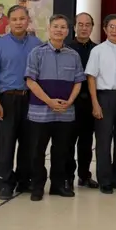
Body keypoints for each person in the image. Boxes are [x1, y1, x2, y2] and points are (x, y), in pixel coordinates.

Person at [0, 5, 43, 200]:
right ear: (9, 21)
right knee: (7, 142)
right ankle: (7, 182)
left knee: (28, 142)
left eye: (22, 19)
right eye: (15, 19)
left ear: (28, 20)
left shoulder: (37, 44)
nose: (18, 22)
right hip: (8, 98)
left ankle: (23, 180)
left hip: (31, 98)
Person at [24, 15, 85, 201]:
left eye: (63, 27)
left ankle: (57, 185)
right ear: (49, 29)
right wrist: (49, 101)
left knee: (62, 151)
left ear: (68, 31)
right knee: (37, 151)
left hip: (65, 113)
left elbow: (78, 81)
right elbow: (30, 81)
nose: (59, 30)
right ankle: (37, 186)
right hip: (40, 112)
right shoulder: (37, 53)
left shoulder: (73, 55)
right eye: (56, 26)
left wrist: (70, 101)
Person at [87, 15, 116, 194]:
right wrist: (95, 103)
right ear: (105, 29)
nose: (114, 30)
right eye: (111, 26)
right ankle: (104, 180)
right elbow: (91, 77)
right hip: (104, 97)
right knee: (104, 140)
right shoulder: (97, 51)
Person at [66, 12, 99, 190]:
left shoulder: (98, 50)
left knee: (86, 142)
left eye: (87, 25)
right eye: (80, 24)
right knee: (68, 141)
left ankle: (84, 176)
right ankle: (68, 177)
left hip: (90, 102)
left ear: (92, 27)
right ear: (74, 27)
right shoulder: (66, 48)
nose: (84, 28)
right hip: (71, 101)